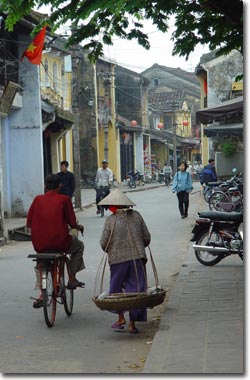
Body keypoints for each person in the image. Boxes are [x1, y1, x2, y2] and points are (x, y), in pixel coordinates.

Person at [27, 174, 85, 308]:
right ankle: (71, 278)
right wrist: (78, 227)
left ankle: (43, 293)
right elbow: (71, 222)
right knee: (79, 246)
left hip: (40, 245)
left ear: (45, 186)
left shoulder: (37, 200)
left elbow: (29, 223)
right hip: (60, 242)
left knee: (41, 263)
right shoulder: (64, 199)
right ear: (60, 186)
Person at [99, 189, 151, 334]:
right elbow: (146, 237)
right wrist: (139, 246)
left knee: (116, 290)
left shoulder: (110, 220)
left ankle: (121, 318)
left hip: (117, 260)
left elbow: (104, 243)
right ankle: (132, 324)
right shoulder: (137, 216)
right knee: (136, 290)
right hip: (137, 257)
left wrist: (112, 250)